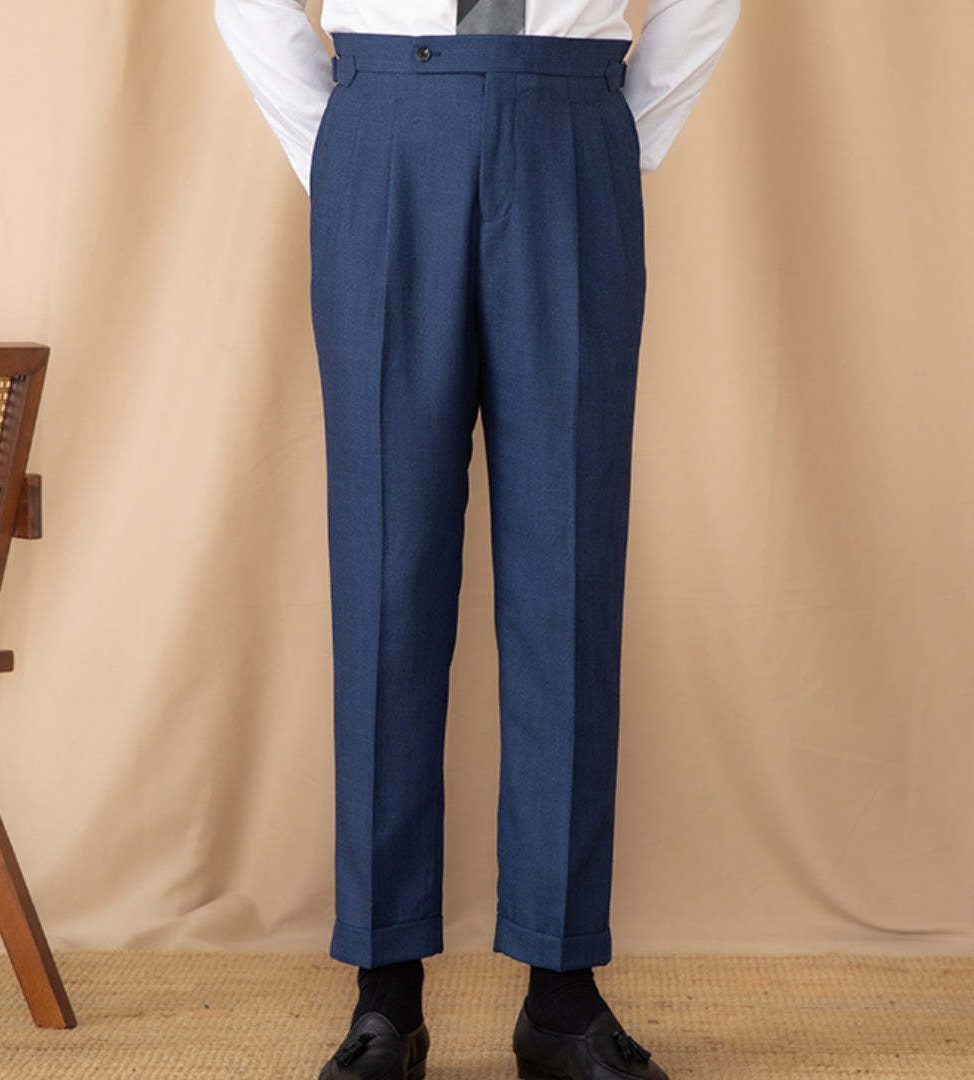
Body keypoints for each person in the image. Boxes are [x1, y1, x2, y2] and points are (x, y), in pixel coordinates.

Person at [215, 2, 740, 1077]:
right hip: (383, 125)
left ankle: (561, 998)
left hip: (570, 124)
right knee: (385, 574)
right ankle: (385, 992)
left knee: (569, 571)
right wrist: (342, 140)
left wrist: (616, 128)